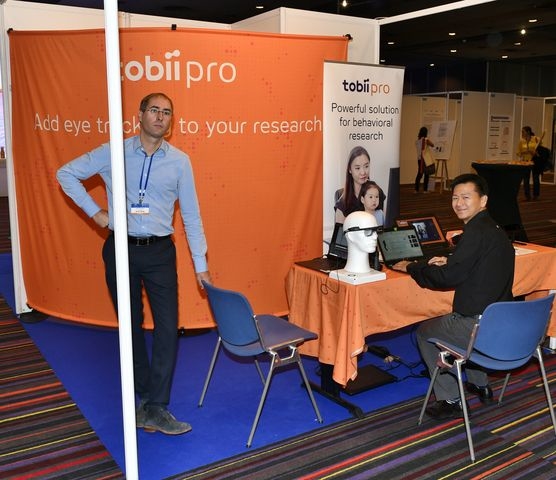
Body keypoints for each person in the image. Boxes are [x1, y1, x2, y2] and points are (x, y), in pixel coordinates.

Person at [57, 92, 211, 435]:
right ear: (139, 115)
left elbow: (191, 215)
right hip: (120, 248)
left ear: (171, 122)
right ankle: (144, 397)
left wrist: (200, 264)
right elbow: (65, 173)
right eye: (154, 110)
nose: (160, 116)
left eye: (166, 112)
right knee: (130, 325)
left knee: (168, 327)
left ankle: (157, 406)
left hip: (159, 252)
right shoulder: (114, 151)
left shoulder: (180, 162)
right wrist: (95, 213)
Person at [392, 173, 515, 420]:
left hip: (477, 326)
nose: (459, 203)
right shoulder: (494, 229)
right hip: (501, 324)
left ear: (483, 200)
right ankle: (480, 384)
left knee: (425, 332)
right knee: (458, 324)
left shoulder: (475, 232)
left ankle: (451, 399)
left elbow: (446, 279)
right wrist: (451, 260)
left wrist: (412, 267)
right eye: (455, 197)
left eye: (466, 197)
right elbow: (475, 263)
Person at [334, 146, 370, 223]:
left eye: (366, 166)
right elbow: (340, 231)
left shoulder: (377, 193)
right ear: (350, 169)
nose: (363, 172)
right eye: (357, 168)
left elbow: (385, 224)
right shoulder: (342, 205)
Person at [516, 126, 541, 201]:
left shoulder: (536, 139)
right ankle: (527, 196)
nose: (522, 133)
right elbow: (518, 152)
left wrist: (535, 152)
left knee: (535, 178)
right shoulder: (521, 141)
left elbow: (540, 151)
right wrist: (524, 152)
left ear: (528, 132)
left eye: (523, 131)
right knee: (526, 179)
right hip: (526, 162)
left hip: (534, 161)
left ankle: (536, 195)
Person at [415, 127, 434, 194]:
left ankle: (416, 189)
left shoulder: (417, 141)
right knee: (426, 174)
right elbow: (432, 145)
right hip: (425, 160)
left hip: (419, 159)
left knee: (419, 174)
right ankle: (425, 190)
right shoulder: (426, 140)